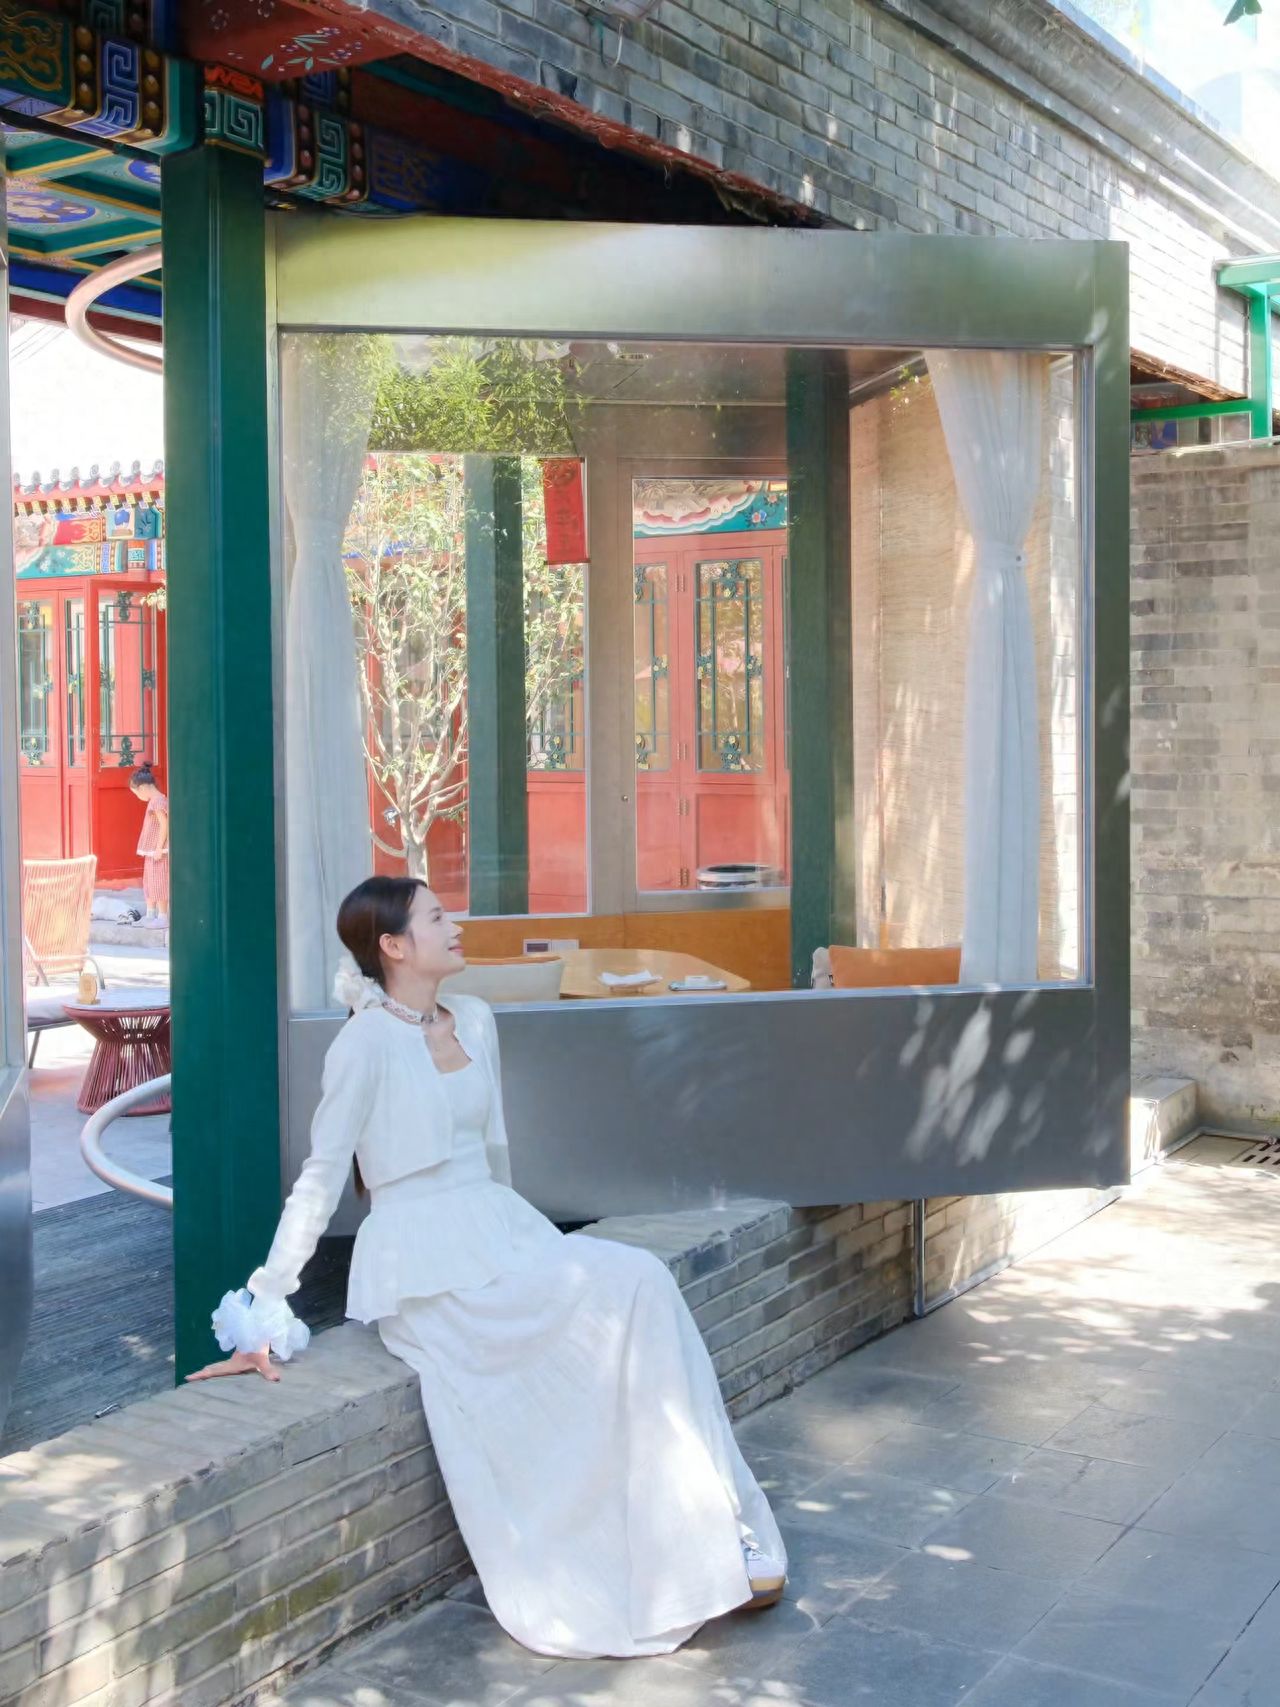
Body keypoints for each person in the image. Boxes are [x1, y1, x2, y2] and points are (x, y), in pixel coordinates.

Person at [186, 876, 787, 1660]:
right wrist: (265, 1303)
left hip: (499, 1234)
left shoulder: (473, 1017)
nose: (455, 924)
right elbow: (322, 1175)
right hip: (425, 1266)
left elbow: (495, 1150)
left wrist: (536, 1251)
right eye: (436, 916)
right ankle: (691, 1542)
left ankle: (713, 1524)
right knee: (636, 1287)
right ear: (394, 945)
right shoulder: (362, 1043)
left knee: (641, 1282)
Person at [129, 762, 168, 927]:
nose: (138, 798)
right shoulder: (158, 800)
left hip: (159, 850)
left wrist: (159, 847)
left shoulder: (157, 802)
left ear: (143, 788)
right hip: (152, 850)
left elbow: (165, 824)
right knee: (149, 882)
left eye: (137, 794)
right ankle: (150, 915)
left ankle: (163, 917)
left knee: (159, 882)